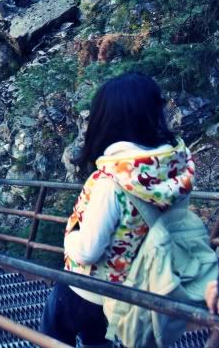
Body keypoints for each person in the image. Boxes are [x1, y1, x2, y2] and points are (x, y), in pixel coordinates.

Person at [41, 72, 194, 348]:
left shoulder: (111, 182)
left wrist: (71, 234)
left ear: (107, 121)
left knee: (53, 332)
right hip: (134, 292)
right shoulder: (176, 172)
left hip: (89, 288)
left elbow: (88, 250)